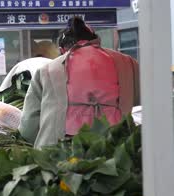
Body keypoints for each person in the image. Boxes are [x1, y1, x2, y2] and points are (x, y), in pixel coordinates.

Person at [19, 17, 140, 148]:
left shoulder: (48, 70)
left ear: (62, 50)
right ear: (97, 41)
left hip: (59, 151)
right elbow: (143, 104)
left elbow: (29, 124)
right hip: (117, 147)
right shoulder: (128, 63)